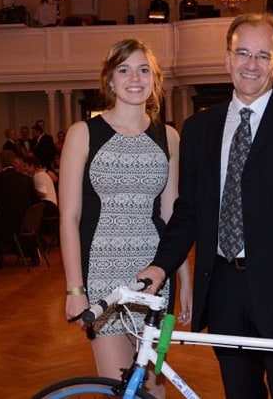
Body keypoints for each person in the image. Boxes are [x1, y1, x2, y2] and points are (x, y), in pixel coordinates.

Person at [138, 14, 273, 399]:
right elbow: (188, 212)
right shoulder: (199, 128)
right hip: (224, 292)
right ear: (227, 59)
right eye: (243, 53)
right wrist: (161, 265)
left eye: (263, 55)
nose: (252, 64)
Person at [60, 38, 191, 398]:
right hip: (102, 273)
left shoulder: (169, 137)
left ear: (155, 79)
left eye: (143, 69)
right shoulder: (83, 133)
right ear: (110, 80)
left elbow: (172, 215)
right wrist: (75, 290)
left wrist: (185, 278)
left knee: (153, 388)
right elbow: (68, 218)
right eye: (124, 69)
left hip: (154, 274)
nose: (135, 78)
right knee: (120, 386)